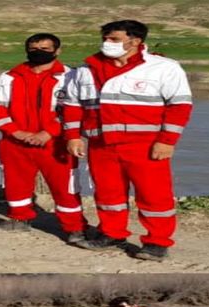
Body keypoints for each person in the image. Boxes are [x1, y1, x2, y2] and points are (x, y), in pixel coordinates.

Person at [62, 20, 193, 261]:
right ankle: (112, 233)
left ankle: (157, 242)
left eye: (113, 39)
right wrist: (73, 136)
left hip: (144, 145)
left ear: (135, 41)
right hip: (101, 144)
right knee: (107, 193)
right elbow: (72, 105)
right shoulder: (86, 70)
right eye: (105, 38)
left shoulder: (163, 68)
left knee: (154, 195)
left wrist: (167, 141)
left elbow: (179, 106)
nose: (106, 44)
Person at [0, 34, 89, 241]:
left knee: (66, 187)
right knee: (15, 183)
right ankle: (18, 219)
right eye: (33, 48)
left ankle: (75, 228)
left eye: (45, 48)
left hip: (56, 143)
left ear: (57, 51)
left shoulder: (71, 76)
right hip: (15, 142)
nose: (38, 52)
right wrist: (15, 131)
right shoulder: (10, 76)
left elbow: (75, 110)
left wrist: (49, 132)